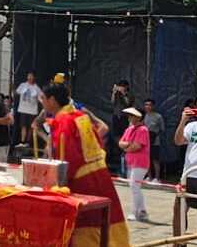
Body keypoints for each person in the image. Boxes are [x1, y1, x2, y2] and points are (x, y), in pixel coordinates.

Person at [38, 83, 130, 246]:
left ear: (52, 100)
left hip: (83, 182)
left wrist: (59, 183)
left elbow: (68, 156)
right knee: (107, 218)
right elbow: (98, 142)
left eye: (43, 99)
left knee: (87, 224)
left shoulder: (63, 121)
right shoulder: (80, 116)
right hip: (101, 176)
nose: (42, 102)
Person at [118, 108, 152, 221]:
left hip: (140, 163)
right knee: (135, 187)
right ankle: (142, 211)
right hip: (130, 162)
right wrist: (128, 145)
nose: (129, 118)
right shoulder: (129, 129)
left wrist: (126, 147)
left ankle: (135, 212)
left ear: (138, 117)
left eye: (131, 115)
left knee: (134, 187)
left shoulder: (143, 129)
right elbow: (120, 143)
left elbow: (137, 146)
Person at [14, 73, 42, 147]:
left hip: (32, 111)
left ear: (34, 77)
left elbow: (40, 97)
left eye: (31, 76)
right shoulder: (23, 85)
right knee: (23, 126)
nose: (30, 77)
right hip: (23, 109)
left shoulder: (36, 87)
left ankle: (28, 142)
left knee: (30, 127)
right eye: (29, 76)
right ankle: (22, 141)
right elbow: (17, 92)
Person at [142, 100, 167, 182]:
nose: (148, 106)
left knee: (155, 159)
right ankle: (149, 176)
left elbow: (162, 129)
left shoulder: (158, 116)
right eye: (146, 105)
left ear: (153, 106)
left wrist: (154, 134)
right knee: (146, 159)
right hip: (145, 140)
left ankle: (157, 178)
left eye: (150, 105)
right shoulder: (143, 116)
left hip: (155, 141)